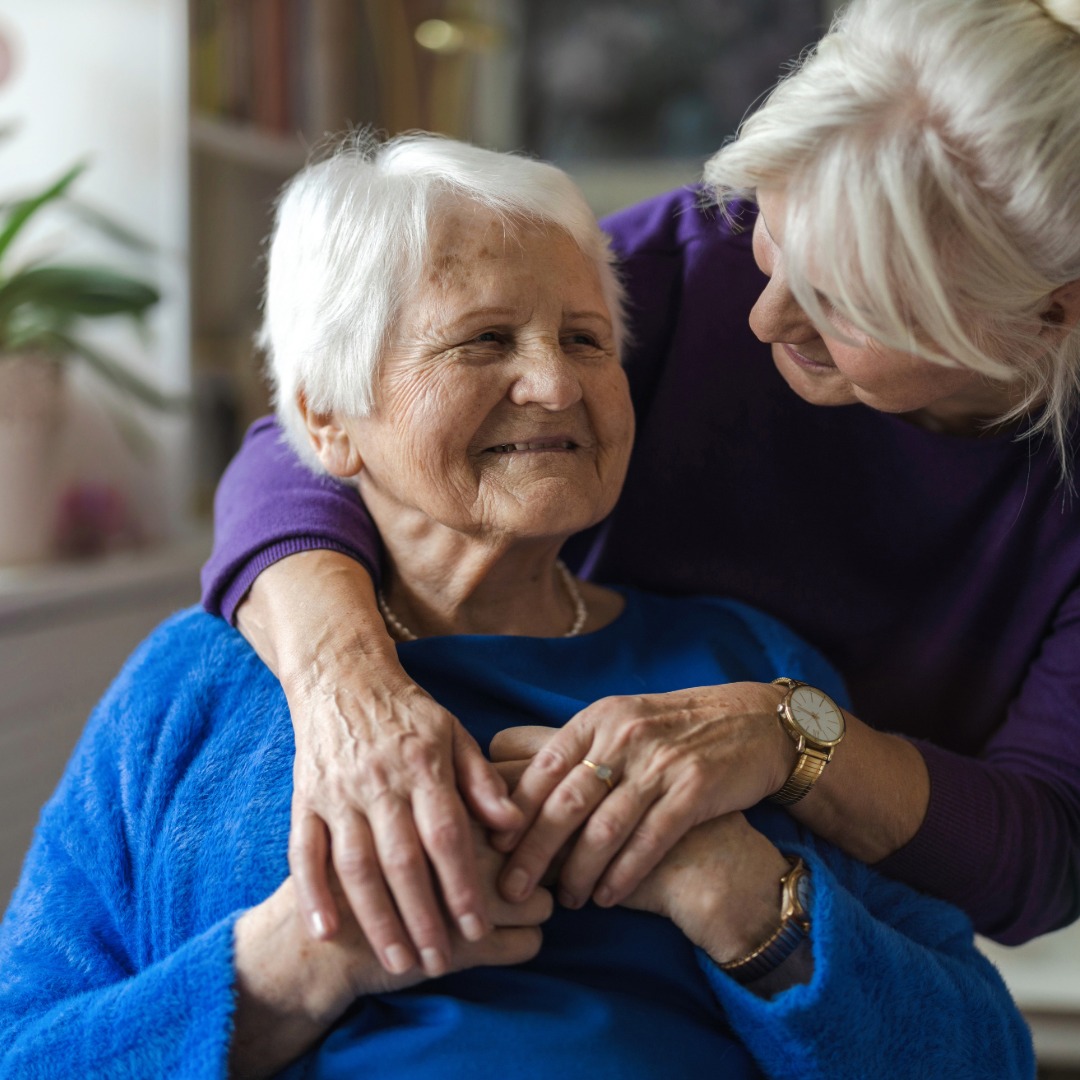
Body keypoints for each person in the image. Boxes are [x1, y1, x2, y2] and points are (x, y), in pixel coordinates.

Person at [0, 133, 1033, 1079]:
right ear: (327, 415)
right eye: (484, 340)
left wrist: (739, 892)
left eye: (586, 340)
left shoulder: (749, 669)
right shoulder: (197, 684)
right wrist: (302, 962)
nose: (554, 383)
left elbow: (981, 1053)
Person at [201, 0, 1080, 962]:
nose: (764, 318)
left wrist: (793, 738)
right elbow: (314, 431)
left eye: (844, 302)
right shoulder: (691, 261)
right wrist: (351, 696)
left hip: (816, 914)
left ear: (1050, 316)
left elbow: (1047, 850)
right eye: (777, 236)